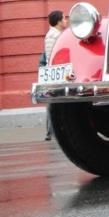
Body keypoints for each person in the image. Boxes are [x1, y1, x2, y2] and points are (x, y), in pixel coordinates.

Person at [43, 10, 68, 141]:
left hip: (59, 72)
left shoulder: (57, 34)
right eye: (64, 19)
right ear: (58, 22)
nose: (66, 21)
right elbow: (52, 56)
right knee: (52, 103)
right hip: (55, 73)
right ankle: (51, 132)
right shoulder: (52, 36)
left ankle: (56, 131)